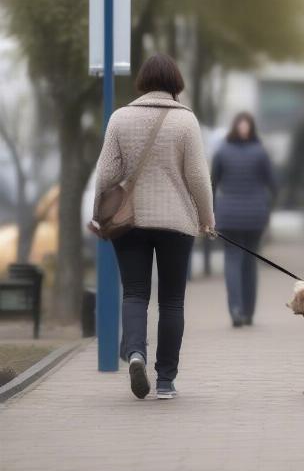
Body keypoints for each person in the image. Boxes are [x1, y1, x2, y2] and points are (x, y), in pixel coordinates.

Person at [90, 53, 215, 400]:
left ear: (143, 81)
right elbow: (198, 177)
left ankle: (134, 354)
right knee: (172, 302)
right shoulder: (186, 122)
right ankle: (165, 382)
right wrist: (207, 217)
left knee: (134, 293)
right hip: (176, 221)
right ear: (176, 82)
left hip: (130, 222)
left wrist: (100, 212)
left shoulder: (120, 118)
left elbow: (105, 175)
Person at [212, 112, 276, 327]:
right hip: (255, 215)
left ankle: (236, 311)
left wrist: (212, 210)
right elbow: (273, 183)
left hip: (228, 215)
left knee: (232, 261)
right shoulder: (261, 152)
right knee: (250, 262)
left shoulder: (222, 151)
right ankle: (248, 312)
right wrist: (268, 207)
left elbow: (212, 182)